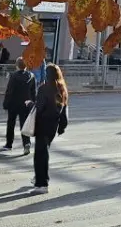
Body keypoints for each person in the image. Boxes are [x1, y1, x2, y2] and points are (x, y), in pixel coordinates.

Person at [31, 63, 69, 194]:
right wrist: (62, 127)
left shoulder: (44, 88)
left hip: (42, 124)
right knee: (44, 151)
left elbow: (40, 107)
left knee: (40, 154)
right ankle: (40, 177)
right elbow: (64, 111)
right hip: (53, 125)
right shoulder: (62, 89)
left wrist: (32, 105)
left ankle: (42, 183)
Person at [1, 58, 37, 154]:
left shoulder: (14, 76)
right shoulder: (32, 76)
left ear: (17, 65)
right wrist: (33, 104)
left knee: (11, 124)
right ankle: (26, 143)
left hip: (13, 104)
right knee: (24, 124)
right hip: (25, 104)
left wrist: (5, 104)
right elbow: (33, 92)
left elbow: (9, 91)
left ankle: (9, 144)